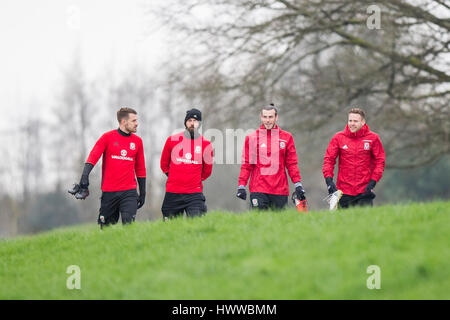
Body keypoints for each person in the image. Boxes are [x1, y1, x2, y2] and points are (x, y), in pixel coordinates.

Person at [68, 107, 147, 228]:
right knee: (106, 229)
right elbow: (93, 157)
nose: (137, 123)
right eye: (134, 121)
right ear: (123, 121)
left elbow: (140, 169)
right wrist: (84, 176)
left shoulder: (137, 141)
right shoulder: (107, 137)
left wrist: (142, 193)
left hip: (129, 192)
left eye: (137, 120)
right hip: (109, 192)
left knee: (129, 226)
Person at [236, 103, 306, 210]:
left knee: (279, 225)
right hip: (258, 189)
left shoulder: (287, 137)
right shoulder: (252, 138)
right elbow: (246, 165)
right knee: (258, 223)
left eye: (270, 117)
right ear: (261, 117)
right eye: (265, 117)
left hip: (280, 190)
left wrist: (298, 184)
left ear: (276, 117)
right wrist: (241, 185)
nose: (267, 120)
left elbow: (291, 164)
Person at [322, 107, 385, 209]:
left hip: (364, 191)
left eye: (355, 121)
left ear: (363, 122)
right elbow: (329, 160)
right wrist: (329, 180)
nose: (352, 123)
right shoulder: (338, 138)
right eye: (350, 120)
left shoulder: (373, 138)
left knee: (365, 223)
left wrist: (373, 181)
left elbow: (380, 161)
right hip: (343, 192)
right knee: (344, 224)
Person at [160, 108, 213, 219]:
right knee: (170, 229)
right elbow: (164, 164)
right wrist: (174, 177)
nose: (192, 123)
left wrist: (195, 179)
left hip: (194, 193)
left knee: (197, 225)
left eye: (195, 121)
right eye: (189, 120)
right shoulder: (172, 140)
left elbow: (207, 170)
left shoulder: (206, 144)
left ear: (200, 123)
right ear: (185, 123)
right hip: (173, 192)